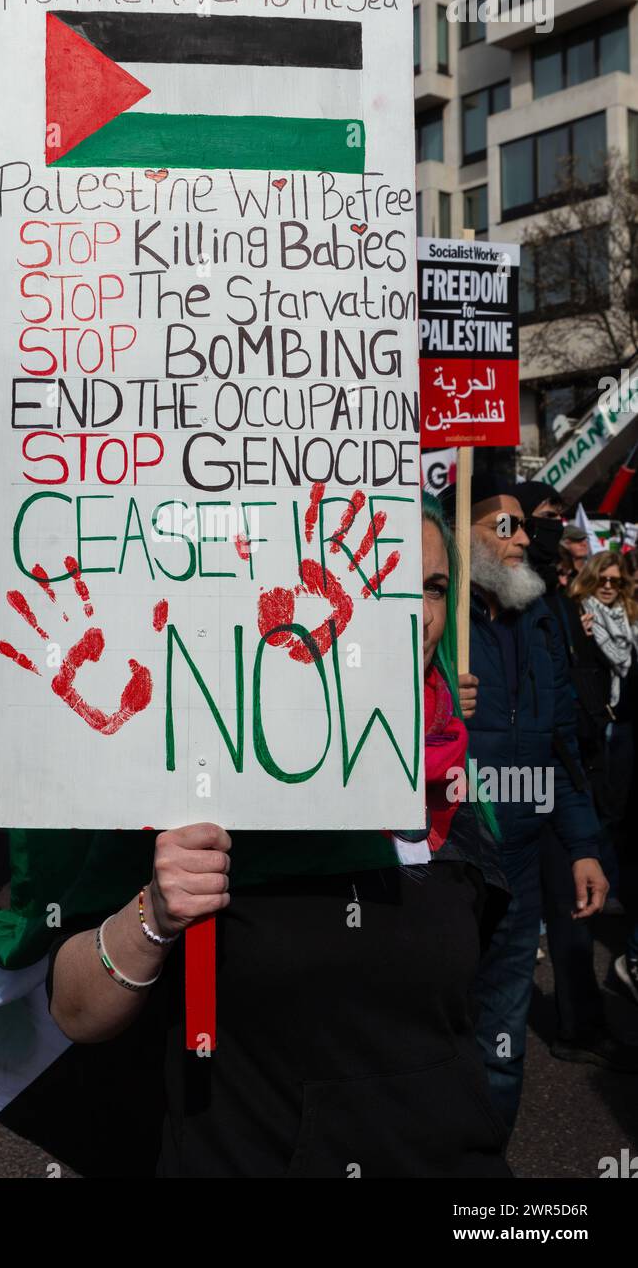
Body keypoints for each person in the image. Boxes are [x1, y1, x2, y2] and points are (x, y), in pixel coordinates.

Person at [44, 497, 512, 1178]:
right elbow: (76, 1012)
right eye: (379, 582)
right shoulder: (194, 770)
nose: (417, 612)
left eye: (433, 587)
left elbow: (475, 1019)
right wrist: (156, 913)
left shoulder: (450, 782)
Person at [441, 474, 607, 1136]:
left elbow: (561, 745)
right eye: (498, 526)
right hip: (446, 863)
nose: (516, 540)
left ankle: (484, 1158)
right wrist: (429, 697)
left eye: (520, 526)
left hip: (520, 868)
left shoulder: (540, 617)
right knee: (436, 1028)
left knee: (501, 1033)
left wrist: (584, 845)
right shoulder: (431, 617)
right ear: (462, 537)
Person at [514, 482, 637, 1072]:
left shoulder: (558, 601)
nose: (549, 528)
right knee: (505, 930)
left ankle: (579, 1025)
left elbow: (568, 690)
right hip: (506, 783)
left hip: (566, 774)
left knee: (572, 915)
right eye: (543, 517)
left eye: (558, 518)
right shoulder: (502, 596)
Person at [570, 550, 638, 914]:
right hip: (595, 725)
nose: (609, 586)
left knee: (618, 806)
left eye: (616, 581)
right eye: (603, 579)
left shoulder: (628, 620)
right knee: (598, 805)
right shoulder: (581, 614)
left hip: (623, 725)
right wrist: (581, 636)